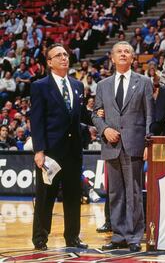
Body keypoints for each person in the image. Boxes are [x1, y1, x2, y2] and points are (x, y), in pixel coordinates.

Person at [92, 41, 153, 252]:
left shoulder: (144, 82)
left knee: (134, 193)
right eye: (119, 51)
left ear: (133, 58)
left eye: (127, 51)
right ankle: (118, 236)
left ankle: (134, 236)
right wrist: (104, 129)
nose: (123, 54)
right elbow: (95, 113)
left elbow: (149, 116)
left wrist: (148, 143)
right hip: (111, 145)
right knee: (115, 193)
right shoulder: (102, 85)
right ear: (112, 57)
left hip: (134, 145)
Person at [30, 43, 88, 251]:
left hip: (73, 151)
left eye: (65, 54)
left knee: (73, 196)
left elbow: (80, 114)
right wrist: (39, 150)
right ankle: (40, 237)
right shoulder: (40, 86)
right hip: (51, 153)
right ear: (49, 62)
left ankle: (72, 237)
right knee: (46, 197)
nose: (64, 57)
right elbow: (36, 120)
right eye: (58, 55)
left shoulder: (77, 85)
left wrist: (98, 116)